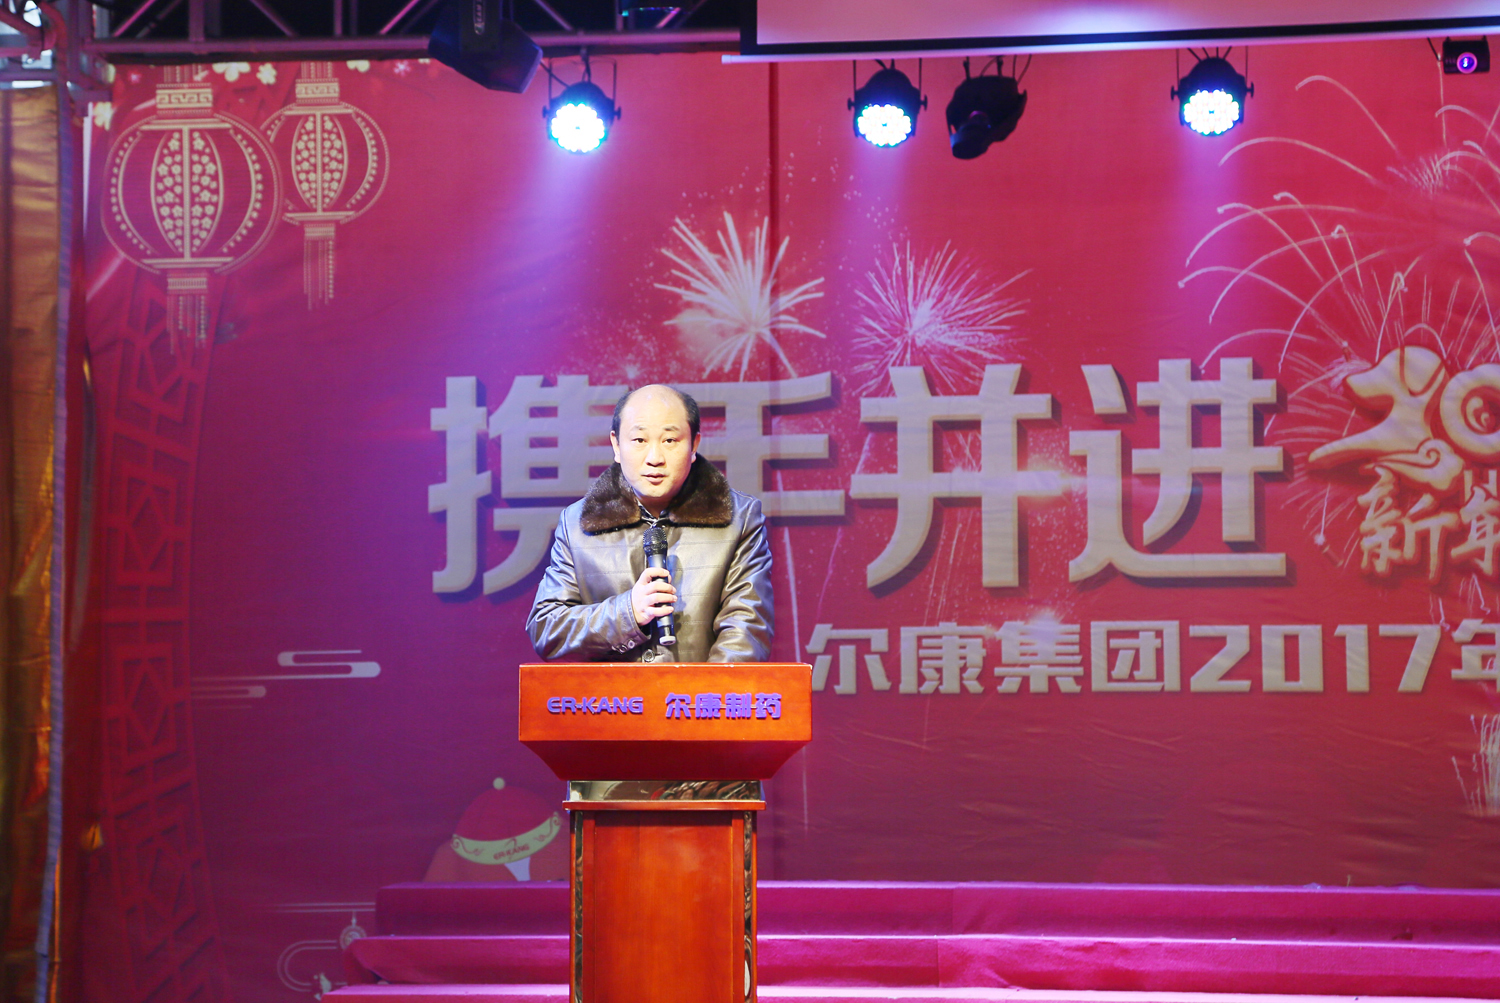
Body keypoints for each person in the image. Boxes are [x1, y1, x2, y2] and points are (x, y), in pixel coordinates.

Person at [526, 384, 773, 663]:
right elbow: (546, 628)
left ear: (694, 445)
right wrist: (627, 612)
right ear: (616, 445)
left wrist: (697, 691)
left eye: (670, 440)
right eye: (639, 440)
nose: (655, 458)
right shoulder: (577, 525)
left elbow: (745, 632)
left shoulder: (739, 518)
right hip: (613, 692)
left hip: (700, 692)